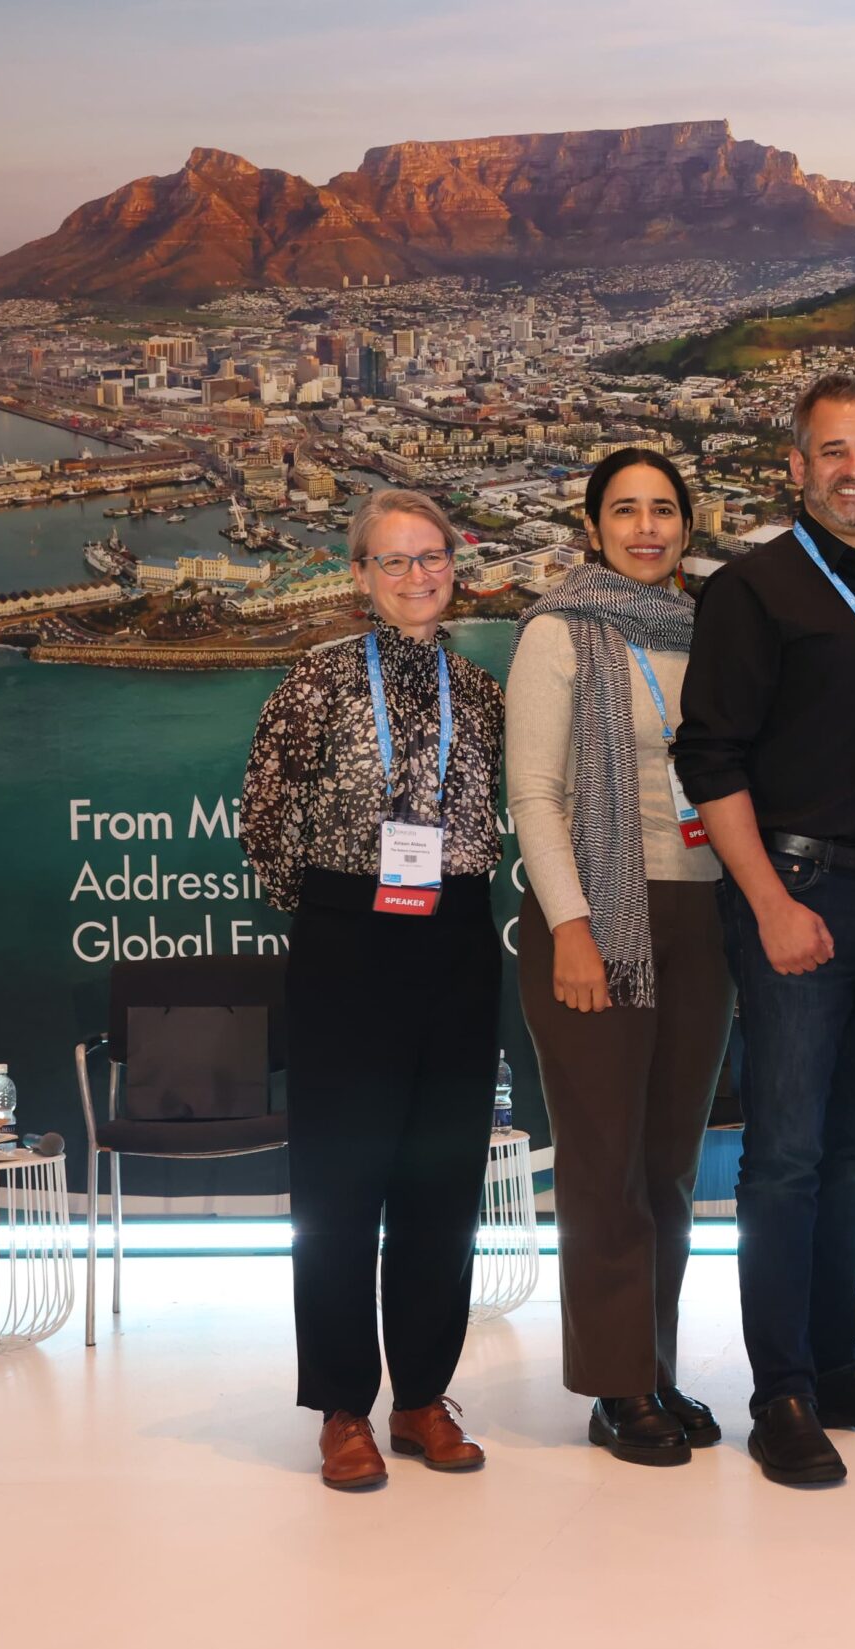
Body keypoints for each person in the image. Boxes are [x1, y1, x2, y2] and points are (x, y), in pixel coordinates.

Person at [673, 373, 855, 1486]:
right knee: (786, 1158)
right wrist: (769, 902)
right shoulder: (753, 591)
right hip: (799, 895)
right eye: (833, 451)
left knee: (852, 1154)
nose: (854, 470)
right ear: (796, 466)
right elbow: (709, 758)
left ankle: (839, 1365)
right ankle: (781, 1392)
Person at [241, 488, 505, 1491]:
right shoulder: (316, 678)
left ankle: (423, 1396)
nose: (415, 575)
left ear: (453, 566)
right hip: (348, 942)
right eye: (393, 560)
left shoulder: (480, 690)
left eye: (430, 556)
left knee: (443, 1181)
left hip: (458, 936)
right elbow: (265, 814)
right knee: (341, 1185)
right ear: (360, 574)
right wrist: (331, 910)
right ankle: (343, 1404)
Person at [507, 447, 734, 1467]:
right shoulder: (558, 631)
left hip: (702, 915)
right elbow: (535, 796)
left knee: (670, 1164)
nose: (647, 527)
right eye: (626, 510)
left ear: (688, 524)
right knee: (604, 1164)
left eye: (664, 509)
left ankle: (656, 1364)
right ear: (592, 527)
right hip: (596, 916)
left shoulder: (710, 634)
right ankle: (614, 1386)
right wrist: (571, 926)